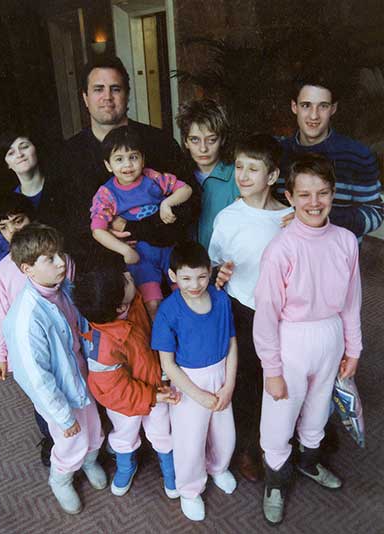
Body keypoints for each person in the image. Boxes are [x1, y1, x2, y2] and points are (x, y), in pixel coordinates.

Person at [253, 154, 362, 525]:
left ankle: (309, 463)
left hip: (330, 335)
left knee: (318, 408)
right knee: (280, 416)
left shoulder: (346, 241)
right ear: (289, 197)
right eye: (304, 195)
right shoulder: (281, 249)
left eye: (323, 193)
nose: (314, 203)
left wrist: (353, 348)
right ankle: (276, 483)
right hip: (292, 341)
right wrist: (272, 369)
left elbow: (352, 300)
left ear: (333, 195)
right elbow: (266, 315)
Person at [2, 223, 106, 515]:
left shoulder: (63, 288)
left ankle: (89, 461)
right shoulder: (25, 320)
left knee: (94, 428)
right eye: (50, 259)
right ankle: (61, 478)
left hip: (82, 376)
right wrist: (62, 416)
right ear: (27, 269)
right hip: (59, 395)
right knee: (70, 440)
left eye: (59, 253)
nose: (62, 262)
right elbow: (36, 379)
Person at [208, 134, 293, 481]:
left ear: (272, 176)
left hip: (285, 313)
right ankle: (249, 446)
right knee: (247, 381)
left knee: (282, 378)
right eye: (239, 167)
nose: (242, 176)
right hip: (243, 309)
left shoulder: (290, 217)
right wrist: (219, 273)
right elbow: (214, 262)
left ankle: (284, 440)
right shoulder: (228, 218)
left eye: (252, 169)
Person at [62, 56, 198, 271]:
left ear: (127, 96)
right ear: (85, 98)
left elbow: (189, 206)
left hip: (162, 259)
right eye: (98, 89)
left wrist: (132, 228)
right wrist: (107, 238)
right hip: (100, 270)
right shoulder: (68, 153)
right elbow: (60, 218)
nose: (107, 97)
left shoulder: (160, 142)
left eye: (115, 89)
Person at [73, 267, 180, 499]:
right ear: (119, 307)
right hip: (125, 401)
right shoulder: (103, 346)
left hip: (155, 385)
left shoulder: (131, 303)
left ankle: (170, 468)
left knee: (162, 430)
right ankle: (125, 464)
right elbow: (113, 389)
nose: (129, 275)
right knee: (125, 432)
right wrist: (151, 397)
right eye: (125, 280)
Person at [151, 242, 238, 522]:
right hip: (188, 382)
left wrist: (229, 384)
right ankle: (190, 489)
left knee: (225, 433)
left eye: (201, 276)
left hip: (221, 374)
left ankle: (218, 467)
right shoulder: (168, 311)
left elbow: (232, 342)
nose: (195, 284)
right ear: (173, 276)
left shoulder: (221, 300)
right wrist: (198, 394)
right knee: (190, 440)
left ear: (210, 272)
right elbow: (167, 363)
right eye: (186, 278)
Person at [0, 193, 75, 466]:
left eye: (18, 221)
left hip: (64, 337)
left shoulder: (60, 261)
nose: (13, 231)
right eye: (4, 226)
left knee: (73, 385)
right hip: (30, 342)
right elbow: (0, 313)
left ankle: (87, 443)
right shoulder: (3, 271)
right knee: (43, 394)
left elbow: (72, 300)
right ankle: (50, 438)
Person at [91, 126, 192, 319]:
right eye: (119, 159)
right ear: (108, 165)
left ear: (142, 159)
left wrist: (167, 203)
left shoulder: (152, 178)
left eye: (133, 157)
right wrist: (125, 250)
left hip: (168, 249)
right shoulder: (107, 193)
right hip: (140, 256)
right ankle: (162, 342)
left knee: (185, 294)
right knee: (153, 303)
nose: (127, 165)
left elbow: (186, 189)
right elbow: (97, 230)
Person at [278, 73, 383, 242]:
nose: (314, 116)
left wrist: (324, 218)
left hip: (338, 260)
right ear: (294, 106)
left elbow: (376, 212)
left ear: (333, 108)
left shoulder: (357, 155)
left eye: (323, 106)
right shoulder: (279, 153)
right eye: (306, 105)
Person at [0, 131, 64, 264]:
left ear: (35, 149)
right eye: (11, 153)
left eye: (24, 147)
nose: (19, 154)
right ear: (7, 163)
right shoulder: (4, 205)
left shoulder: (64, 188)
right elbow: (4, 258)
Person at [176, 99, 239, 249]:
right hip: (188, 267)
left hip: (227, 264)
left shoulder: (238, 176)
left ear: (222, 139)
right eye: (195, 140)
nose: (203, 149)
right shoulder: (177, 177)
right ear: (185, 141)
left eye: (211, 140)